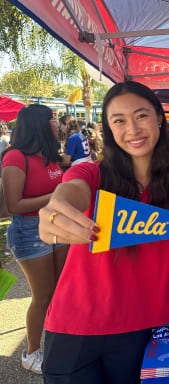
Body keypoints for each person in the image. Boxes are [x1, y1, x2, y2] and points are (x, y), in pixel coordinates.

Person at [38, 81, 169, 383]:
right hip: (76, 327)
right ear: (109, 129)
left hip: (138, 330)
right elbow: (69, 191)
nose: (133, 129)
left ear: (159, 119)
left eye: (141, 116)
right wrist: (55, 207)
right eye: (119, 121)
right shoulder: (92, 173)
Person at [1, 104, 67, 374]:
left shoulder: (49, 155)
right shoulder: (15, 157)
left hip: (57, 225)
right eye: (52, 120)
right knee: (42, 295)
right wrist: (58, 194)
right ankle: (31, 353)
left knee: (61, 289)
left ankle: (57, 341)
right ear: (39, 125)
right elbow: (14, 205)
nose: (57, 124)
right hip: (29, 231)